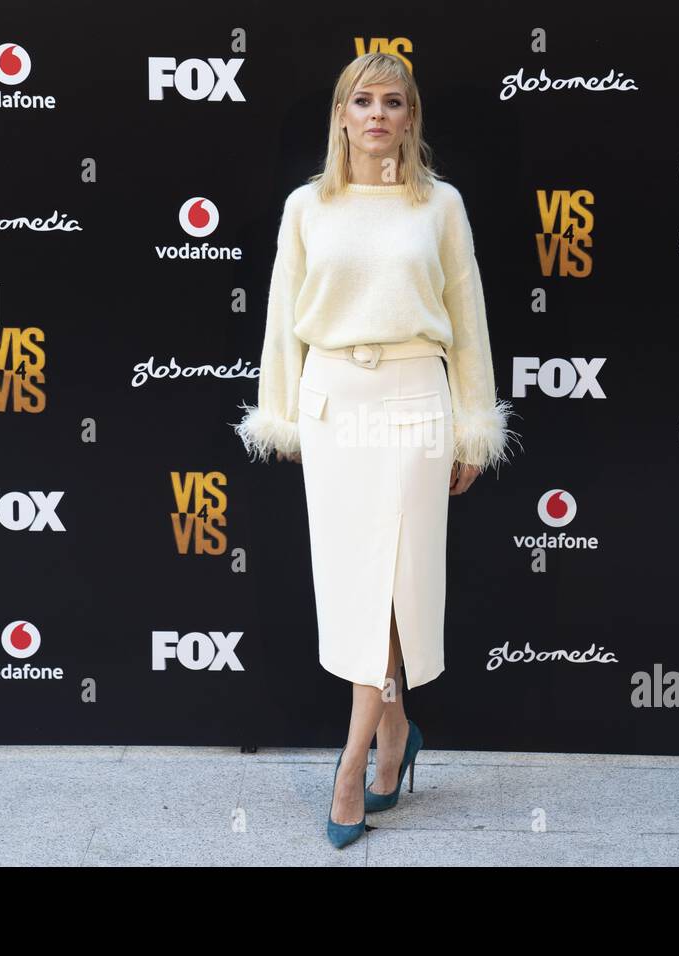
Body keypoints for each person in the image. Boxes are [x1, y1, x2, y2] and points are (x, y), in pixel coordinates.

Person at [230, 52, 521, 849]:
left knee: (397, 582)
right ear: (342, 115)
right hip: (334, 406)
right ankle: (398, 735)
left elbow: (469, 320)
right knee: (361, 586)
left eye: (394, 101)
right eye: (364, 100)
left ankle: (353, 760)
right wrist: (284, 414)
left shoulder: (441, 207)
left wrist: (471, 426)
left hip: (416, 400)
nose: (379, 114)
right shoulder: (307, 207)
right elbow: (281, 318)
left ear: (411, 117)